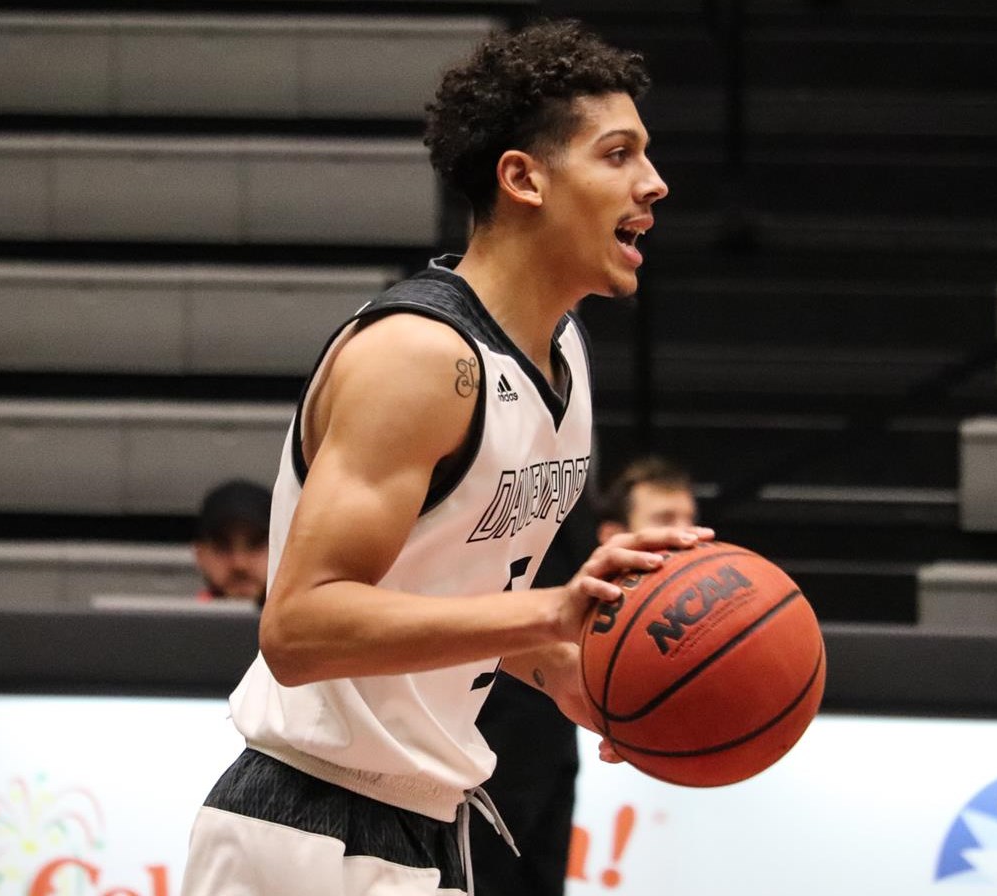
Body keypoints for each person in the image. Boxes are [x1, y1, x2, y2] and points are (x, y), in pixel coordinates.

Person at [181, 20, 700, 896]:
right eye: (618, 155)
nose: (654, 183)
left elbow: (454, 593)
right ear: (522, 177)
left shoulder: (563, 351)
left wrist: (566, 675)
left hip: (425, 823)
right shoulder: (421, 357)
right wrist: (546, 617)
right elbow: (299, 629)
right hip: (312, 829)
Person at [470, 455, 700, 896]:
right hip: (496, 734)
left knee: (542, 872)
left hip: (556, 741)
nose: (682, 534)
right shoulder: (551, 581)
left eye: (690, 519)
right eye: (665, 519)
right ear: (613, 536)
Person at [191, 478, 272, 605]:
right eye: (222, 546)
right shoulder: (170, 624)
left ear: (283, 548)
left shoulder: (310, 623)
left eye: (256, 544)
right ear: (200, 555)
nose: (240, 564)